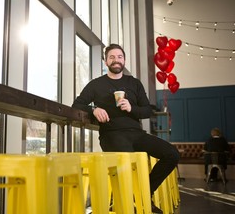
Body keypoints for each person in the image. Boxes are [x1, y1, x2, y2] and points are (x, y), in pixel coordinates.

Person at [72, 43, 180, 214]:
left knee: (172, 154)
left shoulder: (134, 83)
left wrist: (132, 108)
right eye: (112, 57)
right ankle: (127, 202)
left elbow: (147, 110)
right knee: (128, 163)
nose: (116, 60)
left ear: (124, 60)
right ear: (105, 61)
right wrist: (94, 110)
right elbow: (77, 104)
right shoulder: (96, 84)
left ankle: (144, 194)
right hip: (111, 134)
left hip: (136, 134)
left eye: (119, 57)